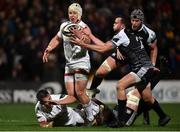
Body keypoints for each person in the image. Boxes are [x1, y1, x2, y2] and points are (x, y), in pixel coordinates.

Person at [71, 16, 170, 127]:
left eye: (115, 22)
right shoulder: (124, 34)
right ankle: (163, 116)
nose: (113, 24)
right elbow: (105, 46)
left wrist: (83, 44)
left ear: (122, 25)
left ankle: (121, 120)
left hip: (141, 66)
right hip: (140, 65)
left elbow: (103, 48)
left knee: (125, 89)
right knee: (145, 96)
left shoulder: (125, 34)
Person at [42, 3, 99, 123]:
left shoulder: (84, 27)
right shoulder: (64, 25)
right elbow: (56, 39)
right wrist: (48, 48)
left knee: (79, 93)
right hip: (69, 64)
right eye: (70, 12)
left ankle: (90, 116)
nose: (72, 15)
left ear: (80, 14)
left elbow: (89, 41)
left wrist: (82, 37)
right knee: (72, 95)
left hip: (82, 63)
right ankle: (93, 106)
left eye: (74, 13)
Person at [35, 89, 119, 127]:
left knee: (99, 118)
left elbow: (73, 98)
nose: (48, 103)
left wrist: (58, 102)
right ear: (41, 102)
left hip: (75, 114)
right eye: (45, 102)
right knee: (98, 121)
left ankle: (115, 112)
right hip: (74, 120)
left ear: (50, 95)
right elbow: (42, 124)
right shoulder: (38, 108)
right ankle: (114, 111)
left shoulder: (57, 97)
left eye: (49, 99)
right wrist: (50, 125)